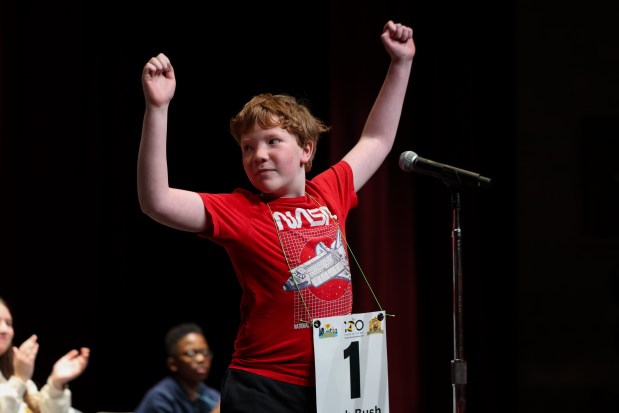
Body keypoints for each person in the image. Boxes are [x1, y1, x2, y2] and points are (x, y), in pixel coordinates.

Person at [137, 19, 415, 412]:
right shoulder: (241, 210)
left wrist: (400, 64)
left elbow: (377, 139)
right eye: (247, 147)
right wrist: (158, 108)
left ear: (306, 149)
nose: (258, 155)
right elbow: (157, 201)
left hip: (336, 382)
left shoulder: (329, 191)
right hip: (264, 387)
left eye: (272, 142)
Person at [0, 297, 90, 413]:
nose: (4, 329)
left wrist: (56, 385)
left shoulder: (10, 372)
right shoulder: (18, 376)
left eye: (8, 323)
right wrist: (19, 379)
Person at [134, 322, 221, 413]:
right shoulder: (160, 398)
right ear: (173, 364)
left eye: (205, 352)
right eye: (191, 354)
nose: (201, 359)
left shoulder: (212, 396)